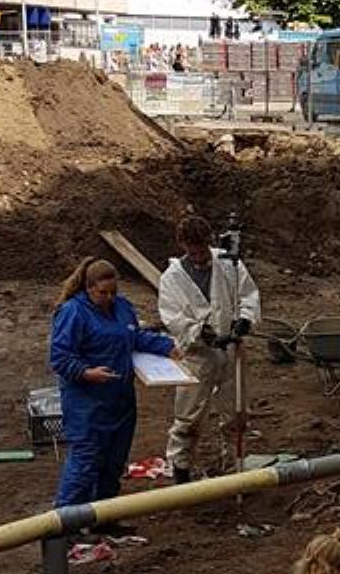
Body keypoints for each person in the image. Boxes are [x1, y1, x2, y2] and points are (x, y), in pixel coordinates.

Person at [48, 256, 175, 511]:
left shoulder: (122, 307)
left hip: (120, 399)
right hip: (88, 402)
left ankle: (105, 516)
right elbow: (60, 356)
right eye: (102, 293)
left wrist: (168, 346)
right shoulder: (73, 312)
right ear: (89, 288)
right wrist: (86, 372)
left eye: (113, 292)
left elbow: (133, 336)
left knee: (113, 461)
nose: (108, 298)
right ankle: (66, 523)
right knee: (85, 461)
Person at [158, 211, 259, 484]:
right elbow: (173, 317)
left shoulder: (228, 265)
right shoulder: (172, 278)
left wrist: (244, 321)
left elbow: (248, 294)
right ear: (183, 246)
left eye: (203, 248)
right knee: (189, 416)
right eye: (195, 250)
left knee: (236, 412)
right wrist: (200, 332)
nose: (201, 255)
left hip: (230, 349)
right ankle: (180, 467)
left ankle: (234, 466)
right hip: (197, 355)